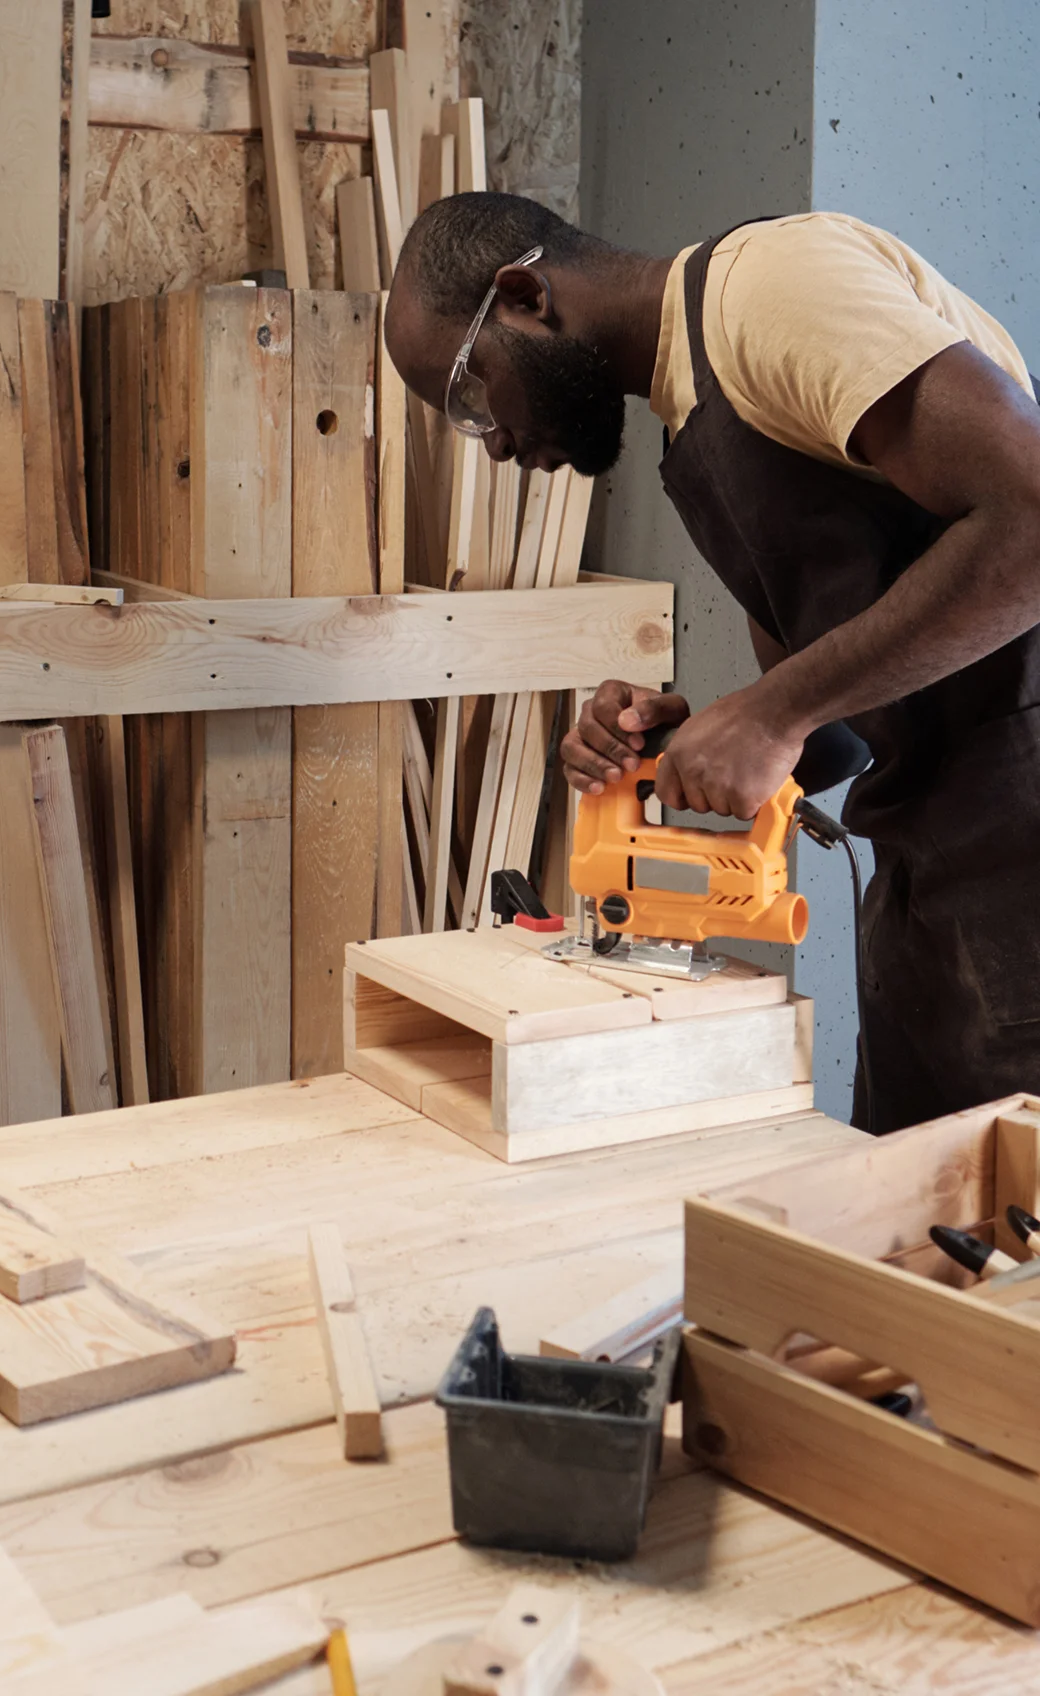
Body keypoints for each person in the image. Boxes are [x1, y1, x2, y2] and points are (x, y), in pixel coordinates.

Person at [384, 193, 1040, 1133]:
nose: (495, 442)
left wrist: (772, 714)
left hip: (1019, 837)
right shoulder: (694, 419)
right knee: (917, 1207)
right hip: (935, 864)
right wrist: (687, 743)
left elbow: (1031, 518)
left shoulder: (769, 291)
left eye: (471, 393)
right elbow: (840, 734)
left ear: (525, 296)